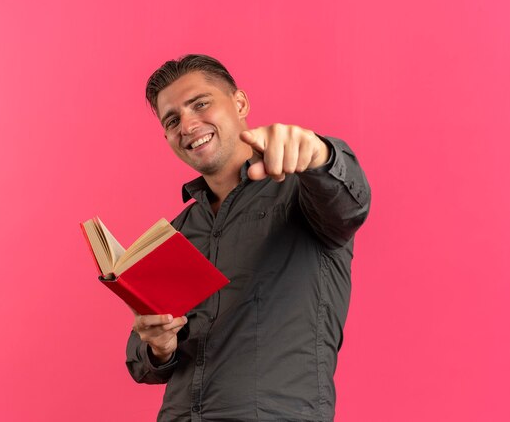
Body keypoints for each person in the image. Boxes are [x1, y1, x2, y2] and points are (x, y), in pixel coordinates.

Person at [125, 54, 371, 422]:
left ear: (239, 103)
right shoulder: (176, 233)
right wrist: (159, 347)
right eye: (172, 120)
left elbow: (351, 204)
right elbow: (141, 366)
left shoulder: (303, 192)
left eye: (200, 104)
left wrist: (318, 152)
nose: (188, 125)